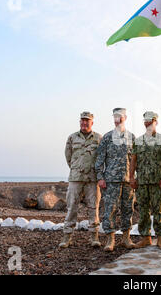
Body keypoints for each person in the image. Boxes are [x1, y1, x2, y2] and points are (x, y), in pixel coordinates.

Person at [129, 111, 161, 250]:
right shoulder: (138, 141)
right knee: (143, 211)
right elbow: (133, 161)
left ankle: (160, 238)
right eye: (145, 121)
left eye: (150, 121)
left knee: (158, 210)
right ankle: (146, 238)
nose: (147, 123)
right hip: (141, 182)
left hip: (157, 182)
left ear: (156, 122)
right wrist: (131, 178)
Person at [59, 111, 102, 248]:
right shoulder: (72, 138)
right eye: (82, 121)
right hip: (76, 178)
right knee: (72, 207)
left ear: (92, 123)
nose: (84, 123)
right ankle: (67, 237)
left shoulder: (98, 138)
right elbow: (68, 156)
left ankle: (94, 237)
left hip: (92, 179)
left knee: (93, 208)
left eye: (87, 121)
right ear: (80, 122)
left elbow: (101, 158)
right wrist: (76, 168)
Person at [95, 108, 136, 252]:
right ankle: (110, 239)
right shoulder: (107, 137)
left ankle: (126, 238)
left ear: (125, 117)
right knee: (110, 210)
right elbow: (100, 159)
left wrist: (134, 178)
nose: (117, 119)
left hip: (127, 181)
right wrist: (100, 177)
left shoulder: (132, 137)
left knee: (127, 209)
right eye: (115, 116)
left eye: (120, 116)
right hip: (111, 180)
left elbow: (135, 160)